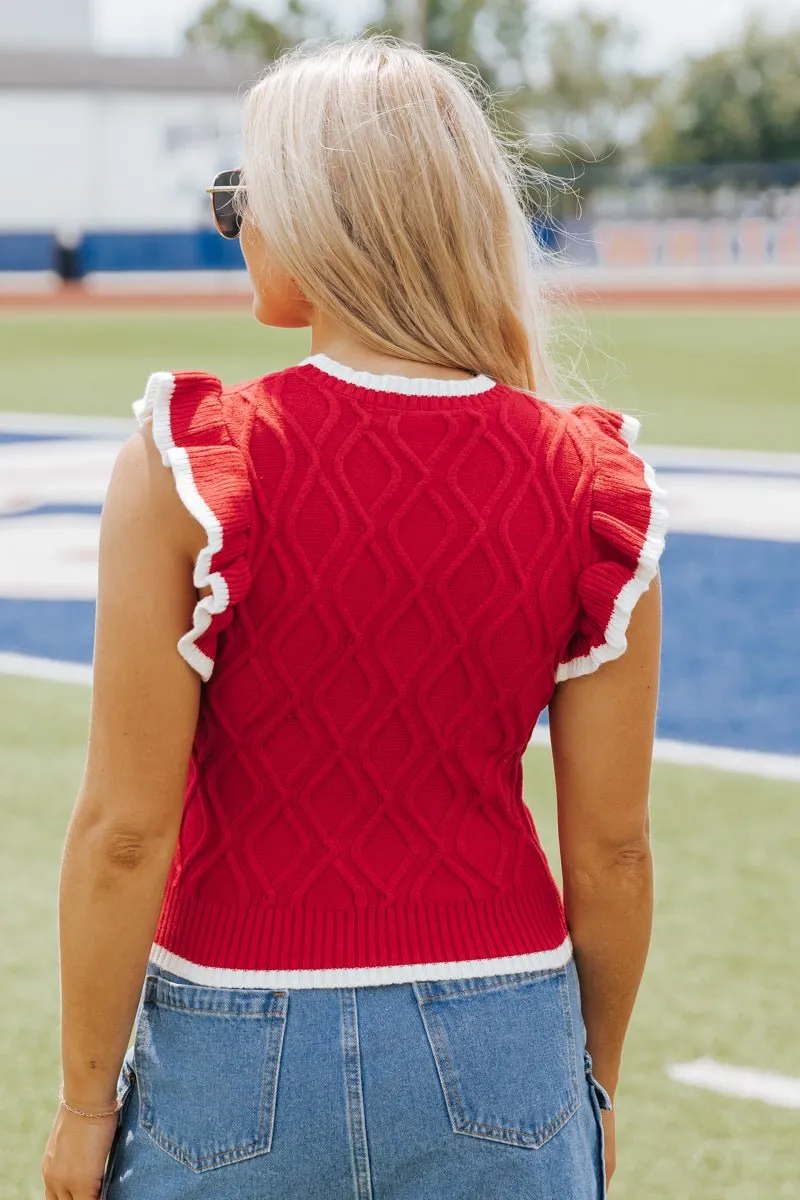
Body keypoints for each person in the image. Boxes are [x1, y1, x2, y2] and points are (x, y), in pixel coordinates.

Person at [41, 37, 667, 1200]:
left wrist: (85, 1105)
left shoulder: (194, 460)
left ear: (318, 214)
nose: (235, 225)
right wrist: (596, 1086)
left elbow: (125, 831)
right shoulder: (590, 479)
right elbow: (613, 851)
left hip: (231, 1028)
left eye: (241, 195)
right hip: (511, 1028)